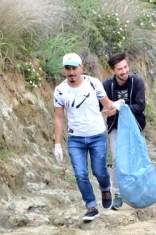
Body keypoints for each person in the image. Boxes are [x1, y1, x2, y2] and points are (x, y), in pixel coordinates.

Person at [53, 53, 122, 221]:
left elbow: (106, 104)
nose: (71, 72)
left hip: (97, 135)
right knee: (80, 174)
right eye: (68, 68)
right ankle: (91, 206)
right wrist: (57, 144)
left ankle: (105, 189)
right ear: (63, 70)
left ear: (81, 68)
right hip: (75, 139)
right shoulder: (60, 90)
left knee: (99, 171)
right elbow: (59, 117)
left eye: (74, 68)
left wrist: (117, 105)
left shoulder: (93, 83)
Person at [100, 53, 146, 210]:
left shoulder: (137, 81)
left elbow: (140, 106)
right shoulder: (107, 86)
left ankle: (139, 193)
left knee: (138, 158)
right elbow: (100, 106)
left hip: (135, 126)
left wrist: (119, 108)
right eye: (120, 69)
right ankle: (118, 194)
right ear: (113, 71)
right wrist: (108, 109)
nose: (124, 71)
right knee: (117, 160)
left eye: (125, 67)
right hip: (116, 127)